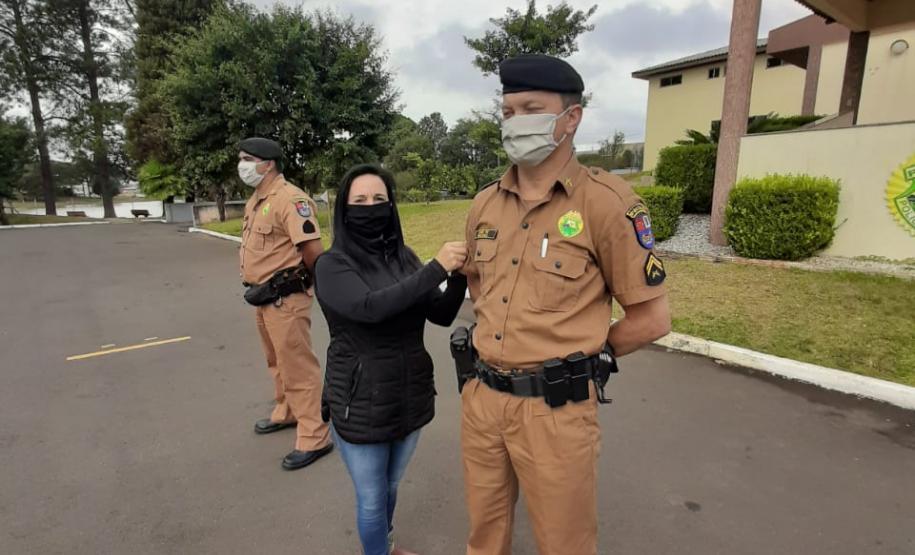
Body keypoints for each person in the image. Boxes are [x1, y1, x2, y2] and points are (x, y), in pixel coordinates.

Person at [457, 54, 672, 555]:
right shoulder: (484, 203)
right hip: (482, 400)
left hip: (555, 410)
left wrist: (586, 357)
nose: (515, 121)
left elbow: (652, 319)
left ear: (570, 118)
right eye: (508, 111)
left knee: (564, 544)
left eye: (530, 107)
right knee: (482, 538)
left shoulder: (607, 203)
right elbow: (477, 287)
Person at [314, 164, 468, 555]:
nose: (371, 207)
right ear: (344, 211)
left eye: (379, 199)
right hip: (358, 400)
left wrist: (460, 277)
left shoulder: (404, 257)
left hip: (408, 393)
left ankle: (385, 543)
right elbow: (369, 309)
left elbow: (441, 313)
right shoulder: (332, 265)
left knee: (392, 486)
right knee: (370, 498)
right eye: (360, 200)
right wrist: (436, 268)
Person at [237, 137, 333, 470]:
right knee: (275, 361)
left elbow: (312, 252)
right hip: (263, 297)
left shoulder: (291, 199)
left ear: (268, 163)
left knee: (298, 368)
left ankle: (314, 436)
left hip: (286, 297)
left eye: (248, 159)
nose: (242, 165)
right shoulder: (257, 199)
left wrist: (318, 289)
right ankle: (287, 410)